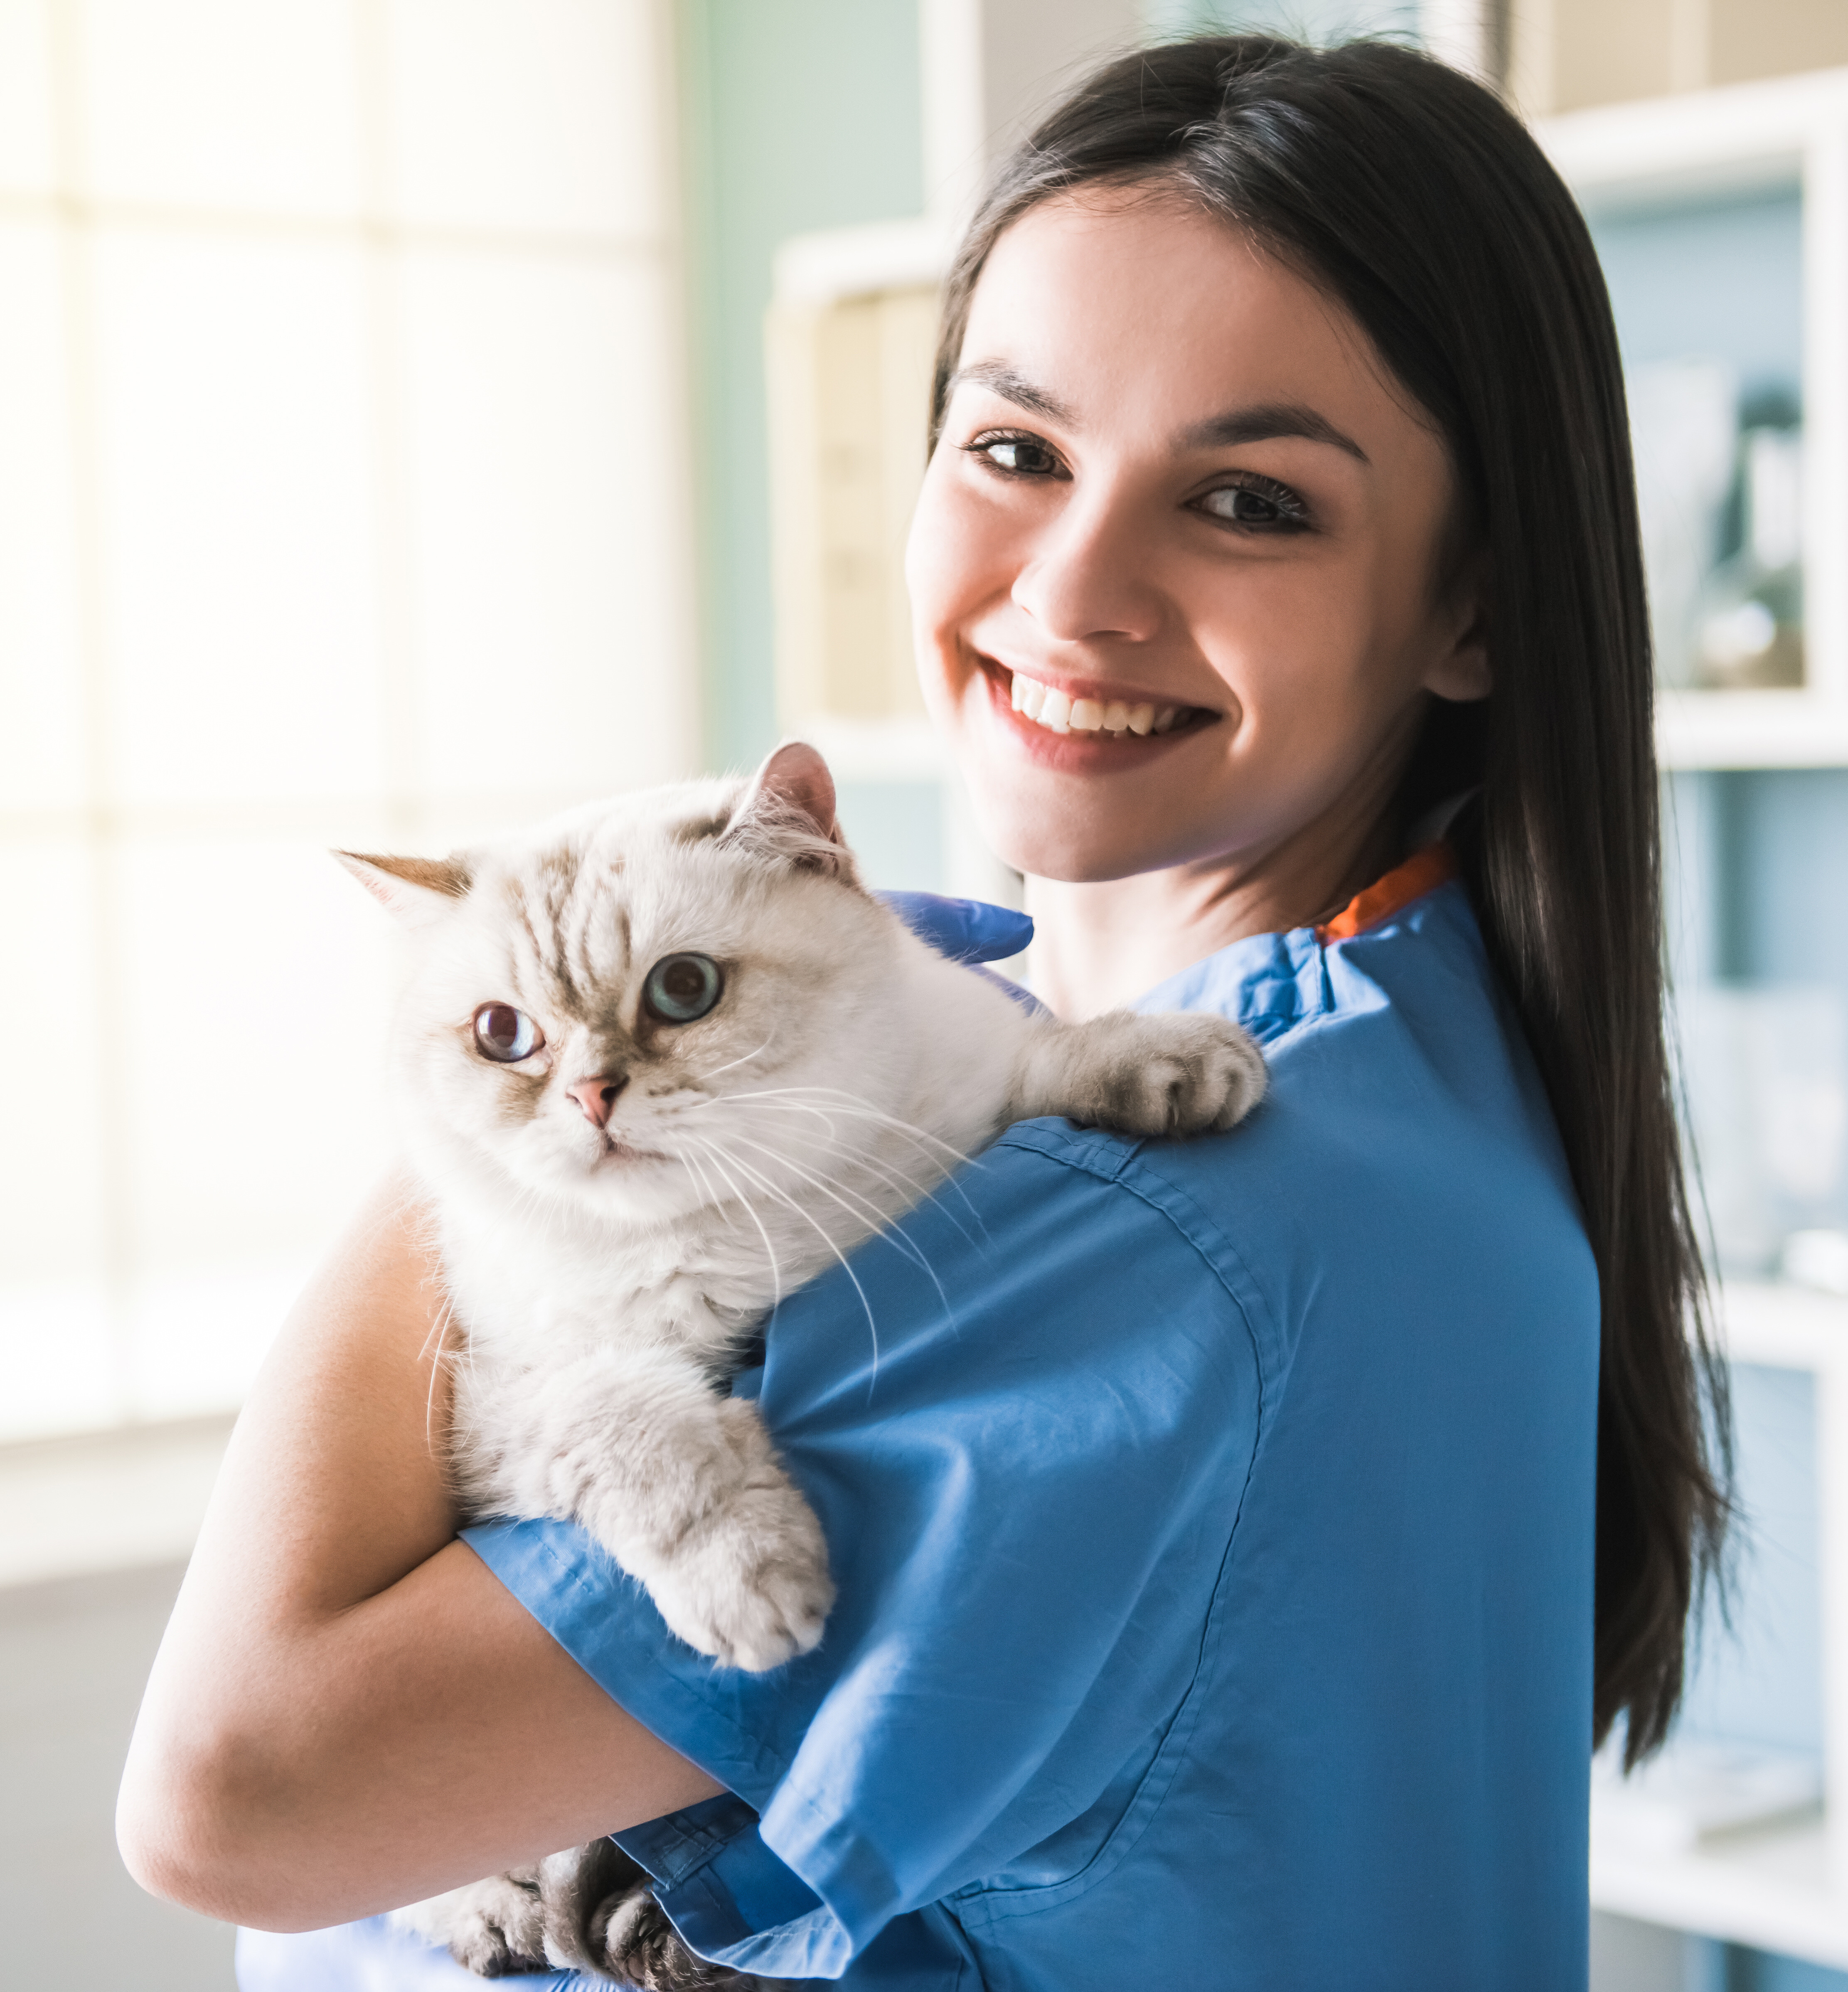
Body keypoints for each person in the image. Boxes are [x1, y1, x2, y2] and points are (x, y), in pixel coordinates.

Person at [118, 33, 1727, 1990]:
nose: (1072, 589)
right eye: (1013, 448)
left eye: (1245, 499)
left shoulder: (1154, 1236)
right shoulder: (1420, 1059)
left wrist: (488, 1084)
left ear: (1470, 605)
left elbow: (226, 1800)